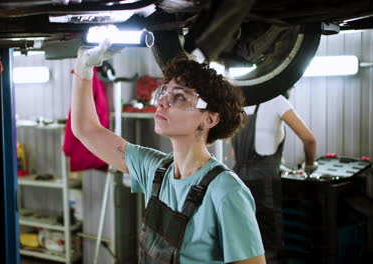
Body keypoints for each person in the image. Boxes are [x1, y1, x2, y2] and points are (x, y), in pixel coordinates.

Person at [70, 38, 266, 264]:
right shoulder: (156, 171)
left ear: (209, 118)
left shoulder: (226, 191)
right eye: (164, 92)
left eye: (180, 97)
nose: (162, 102)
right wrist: (83, 67)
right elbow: (86, 129)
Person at [231, 92, 317, 264]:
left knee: (243, 241)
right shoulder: (277, 100)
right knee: (269, 242)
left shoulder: (241, 104)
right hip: (264, 186)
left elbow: (235, 155)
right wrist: (309, 165)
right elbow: (309, 139)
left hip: (237, 183)